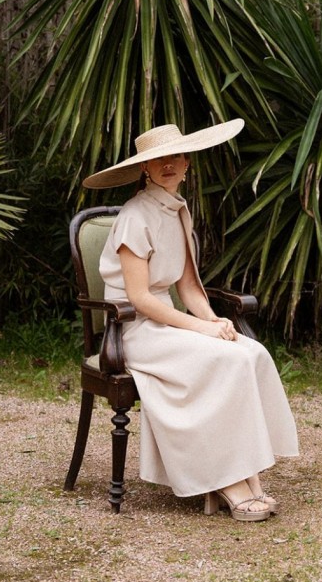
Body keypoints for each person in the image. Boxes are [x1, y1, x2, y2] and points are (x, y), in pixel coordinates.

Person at [83, 119, 298, 522]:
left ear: (188, 163)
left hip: (166, 323)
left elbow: (189, 289)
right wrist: (200, 329)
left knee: (248, 353)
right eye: (159, 159)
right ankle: (228, 483)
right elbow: (140, 298)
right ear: (144, 168)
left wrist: (216, 324)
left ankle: (247, 477)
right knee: (224, 361)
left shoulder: (178, 211)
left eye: (176, 156)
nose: (169, 164)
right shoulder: (135, 216)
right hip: (132, 329)